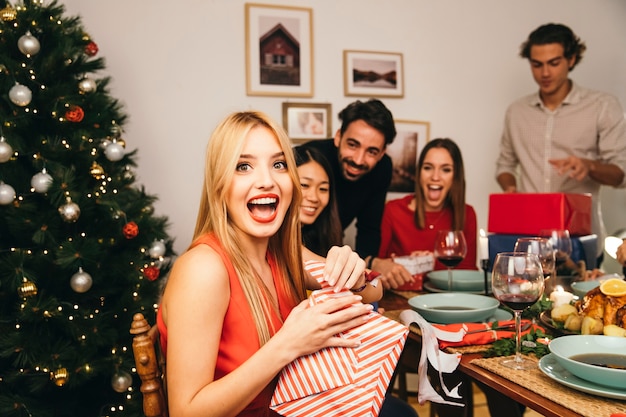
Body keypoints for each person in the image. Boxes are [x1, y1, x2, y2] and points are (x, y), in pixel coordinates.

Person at [157, 111, 382, 417]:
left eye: (278, 164)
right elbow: (186, 413)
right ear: (219, 185)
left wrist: (354, 271)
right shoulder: (204, 270)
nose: (267, 181)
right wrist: (288, 345)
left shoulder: (284, 253)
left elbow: (374, 291)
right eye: (243, 166)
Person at [293, 144, 418, 417]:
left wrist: (362, 297)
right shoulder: (285, 247)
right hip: (303, 380)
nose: (314, 197)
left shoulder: (318, 239)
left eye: (323, 188)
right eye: (304, 185)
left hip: (324, 371)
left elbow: (374, 288)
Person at [495, 23, 626, 266]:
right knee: (523, 303)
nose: (545, 73)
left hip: (580, 242)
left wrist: (589, 166)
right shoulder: (517, 112)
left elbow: (621, 175)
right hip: (527, 242)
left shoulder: (602, 106)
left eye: (554, 63)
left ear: (571, 59)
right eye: (537, 64)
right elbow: (504, 165)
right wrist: (510, 187)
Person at [301, 99, 397, 265]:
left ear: (382, 154)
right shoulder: (310, 156)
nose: (358, 160)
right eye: (352, 145)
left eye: (372, 152)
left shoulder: (383, 169)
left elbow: (370, 228)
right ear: (338, 137)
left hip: (330, 250)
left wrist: (367, 267)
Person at [376, 138, 477, 288]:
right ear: (419, 173)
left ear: (455, 176)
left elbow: (469, 274)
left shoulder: (467, 214)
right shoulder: (393, 210)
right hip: (399, 301)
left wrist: (432, 263)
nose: (435, 177)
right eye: (428, 167)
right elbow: (376, 269)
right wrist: (398, 266)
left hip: (449, 301)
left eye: (446, 169)